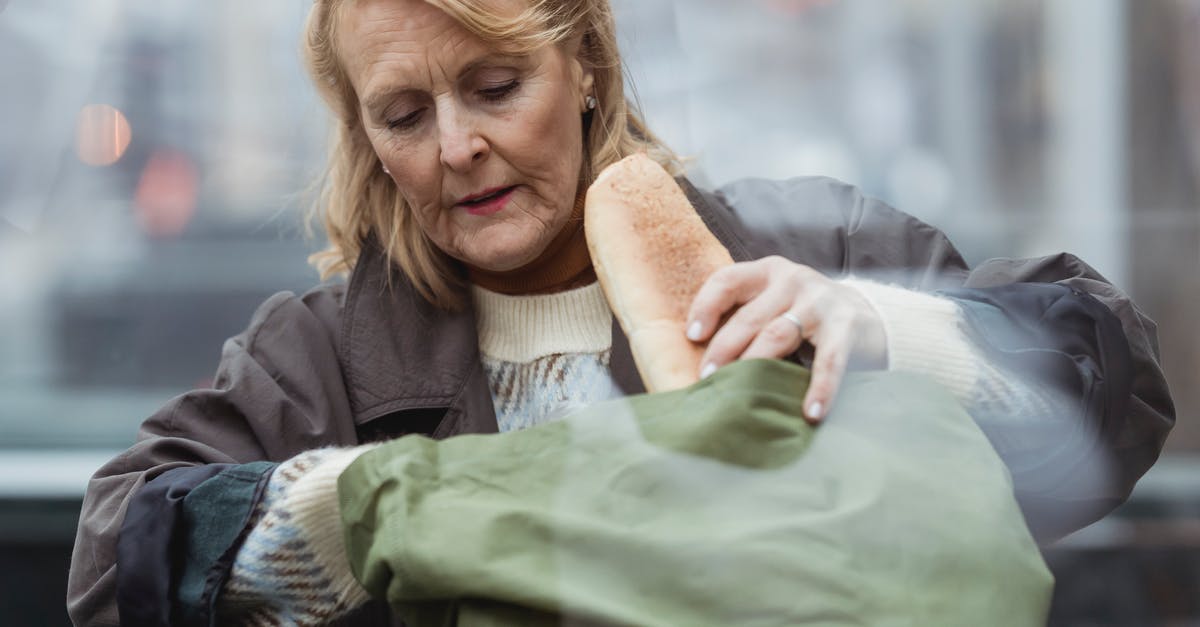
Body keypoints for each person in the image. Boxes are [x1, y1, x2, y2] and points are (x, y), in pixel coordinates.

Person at [66, 0, 1174, 625]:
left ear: (586, 65)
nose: (457, 147)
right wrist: (349, 513)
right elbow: (114, 565)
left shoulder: (810, 250)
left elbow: (1121, 398)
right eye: (405, 115)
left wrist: (886, 329)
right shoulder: (321, 352)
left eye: (496, 88)